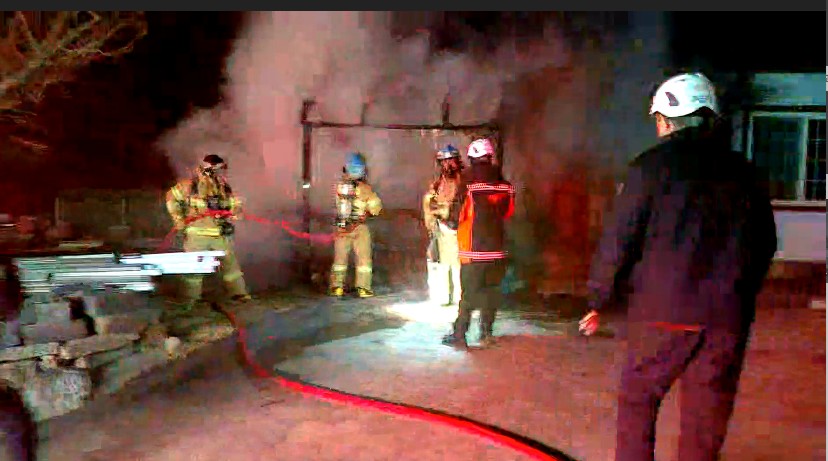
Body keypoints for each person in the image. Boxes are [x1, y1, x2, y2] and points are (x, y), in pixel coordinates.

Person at [578, 72, 777, 461]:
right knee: (706, 418)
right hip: (726, 318)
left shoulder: (648, 168)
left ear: (665, 120)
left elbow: (620, 239)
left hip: (662, 314)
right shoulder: (744, 171)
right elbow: (765, 243)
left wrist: (600, 298)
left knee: (638, 402)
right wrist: (738, 293)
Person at [442, 138, 515, 349]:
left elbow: (455, 215)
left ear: (472, 158)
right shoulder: (505, 185)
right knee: (491, 292)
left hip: (473, 250)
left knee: (468, 295)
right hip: (497, 249)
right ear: (490, 156)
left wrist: (449, 222)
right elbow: (508, 212)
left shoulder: (468, 181)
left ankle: (459, 335)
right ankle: (486, 333)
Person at [165, 154, 251, 309]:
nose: (220, 174)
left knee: (231, 267)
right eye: (217, 170)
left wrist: (236, 211)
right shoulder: (190, 186)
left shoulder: (224, 186)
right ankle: (190, 300)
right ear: (206, 169)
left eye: (222, 170)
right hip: (197, 235)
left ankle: (239, 295)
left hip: (219, 233)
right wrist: (178, 219)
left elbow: (235, 202)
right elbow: (171, 197)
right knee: (194, 269)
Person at [329, 152, 383, 298]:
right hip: (360, 227)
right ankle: (363, 288)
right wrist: (368, 212)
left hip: (342, 227)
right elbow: (376, 208)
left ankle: (337, 287)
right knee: (364, 258)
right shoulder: (366, 189)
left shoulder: (340, 187)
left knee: (340, 258)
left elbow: (338, 206)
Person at [422, 144, 464, 306]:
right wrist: (432, 220)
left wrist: (447, 210)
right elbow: (430, 203)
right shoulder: (438, 183)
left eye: (450, 161)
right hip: (442, 228)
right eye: (444, 162)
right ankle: (442, 297)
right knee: (440, 263)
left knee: (458, 265)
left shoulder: (464, 182)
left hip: (459, 228)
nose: (448, 165)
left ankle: (459, 298)